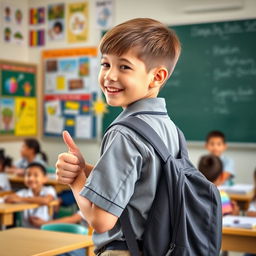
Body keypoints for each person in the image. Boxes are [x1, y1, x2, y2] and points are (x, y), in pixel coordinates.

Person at [56, 18, 181, 255]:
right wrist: (85, 168)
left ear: (157, 76)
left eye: (124, 67)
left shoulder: (124, 133)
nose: (110, 76)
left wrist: (76, 181)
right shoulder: (169, 127)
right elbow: (140, 186)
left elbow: (101, 220)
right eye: (105, 64)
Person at [5, 162, 56, 228]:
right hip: (26, 230)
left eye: (35, 175)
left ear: (45, 178)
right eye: (28, 175)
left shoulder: (49, 189)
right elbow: (8, 199)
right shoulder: (23, 192)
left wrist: (21, 199)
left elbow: (46, 200)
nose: (31, 178)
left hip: (45, 229)